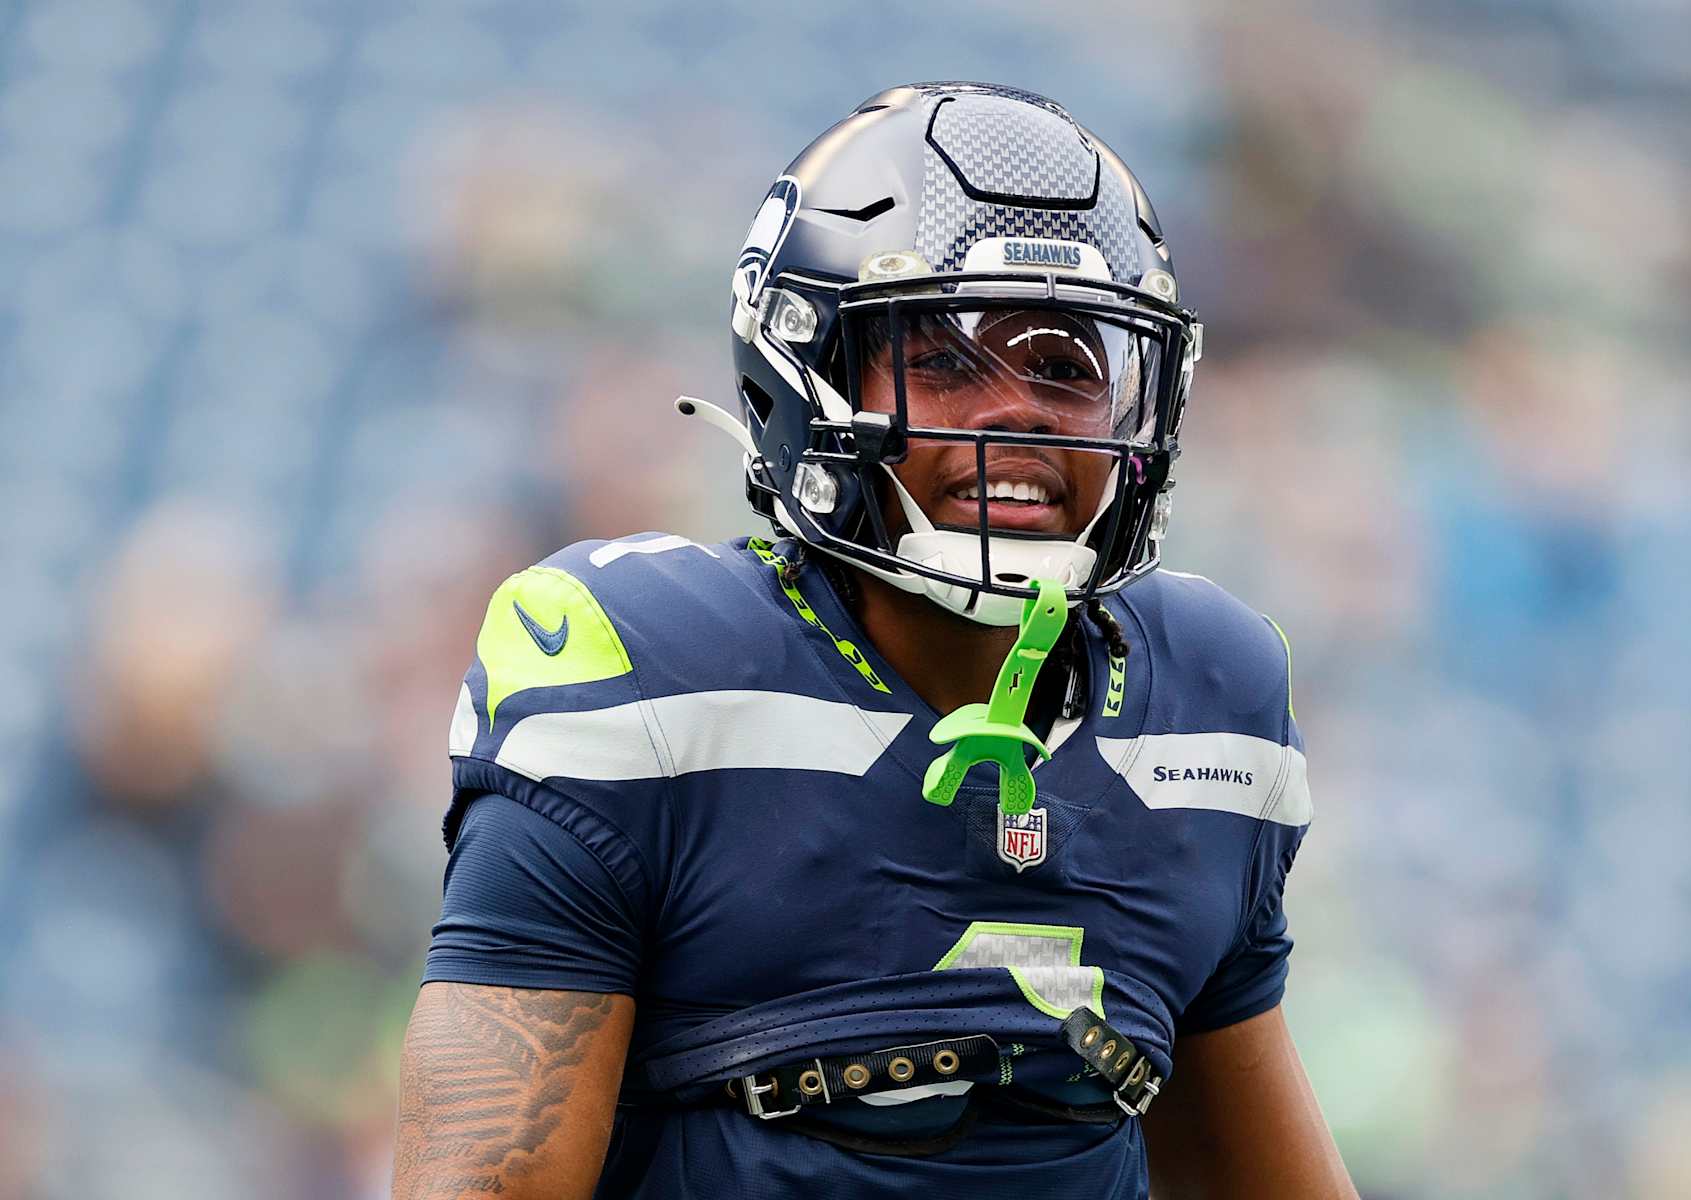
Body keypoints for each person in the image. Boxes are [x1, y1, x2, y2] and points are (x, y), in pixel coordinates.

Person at [391, 81, 1358, 1200]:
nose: (1018, 411)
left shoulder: (1212, 697)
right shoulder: (647, 678)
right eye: (945, 356)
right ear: (811, 379)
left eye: (1066, 367)